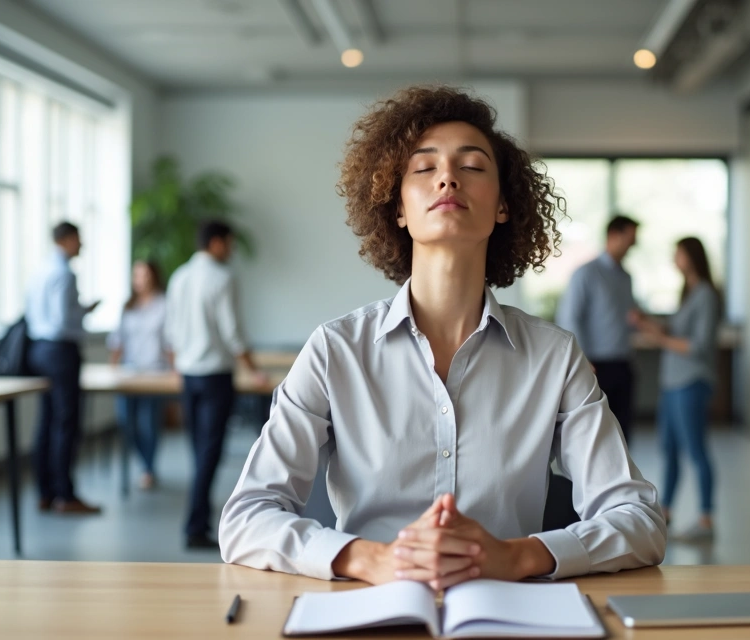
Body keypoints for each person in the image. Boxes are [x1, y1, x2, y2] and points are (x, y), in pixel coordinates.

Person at [219, 86, 666, 590]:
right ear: (399, 208)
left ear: (502, 206)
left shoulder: (554, 356)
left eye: (472, 166)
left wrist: (516, 557)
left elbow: (641, 521)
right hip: (372, 612)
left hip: (506, 615)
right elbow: (245, 519)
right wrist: (369, 559)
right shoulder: (334, 350)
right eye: (424, 168)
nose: (448, 177)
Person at [165, 220, 268, 550]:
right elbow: (233, 333)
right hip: (214, 376)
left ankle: (198, 521)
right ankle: (195, 528)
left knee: (198, 451)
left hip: (188, 374)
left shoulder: (179, 276)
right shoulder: (223, 278)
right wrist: (254, 372)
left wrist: (177, 365)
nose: (233, 249)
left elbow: (171, 331)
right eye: (229, 242)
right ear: (216, 243)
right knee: (209, 453)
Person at [632, 237, 720, 540]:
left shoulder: (706, 294)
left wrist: (662, 340)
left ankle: (706, 519)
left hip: (691, 383)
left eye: (678, 254)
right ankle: (665, 513)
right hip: (672, 385)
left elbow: (699, 345)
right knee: (669, 450)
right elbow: (676, 332)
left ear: (692, 257)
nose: (674, 259)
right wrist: (647, 324)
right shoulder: (689, 292)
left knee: (696, 451)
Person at [24, 221, 101, 514]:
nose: (82, 245)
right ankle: (65, 495)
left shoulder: (40, 270)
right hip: (61, 351)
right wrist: (80, 317)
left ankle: (45, 491)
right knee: (67, 424)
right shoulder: (65, 273)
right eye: (79, 239)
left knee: (46, 422)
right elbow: (59, 321)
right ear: (67, 240)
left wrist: (80, 309)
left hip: (38, 349)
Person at [555, 215, 641, 443]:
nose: (633, 245)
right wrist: (581, 359)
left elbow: (629, 317)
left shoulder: (626, 277)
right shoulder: (586, 273)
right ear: (613, 236)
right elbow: (570, 317)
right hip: (595, 366)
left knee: (623, 435)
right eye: (630, 239)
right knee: (595, 436)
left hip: (623, 364)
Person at [107, 260, 170, 490]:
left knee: (148, 423)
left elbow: (169, 342)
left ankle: (148, 468)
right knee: (127, 423)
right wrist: (111, 367)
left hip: (155, 374)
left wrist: (175, 372)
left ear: (153, 276)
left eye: (145, 274)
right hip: (128, 374)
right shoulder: (128, 306)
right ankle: (145, 462)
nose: (140, 279)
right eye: (137, 275)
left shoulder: (164, 304)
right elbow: (117, 340)